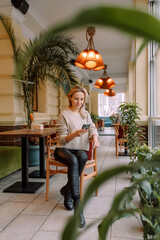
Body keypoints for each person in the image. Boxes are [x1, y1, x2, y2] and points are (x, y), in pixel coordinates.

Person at [54, 86, 100, 228]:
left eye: (81, 99)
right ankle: (77, 204)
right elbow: (61, 140)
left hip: (79, 149)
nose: (79, 102)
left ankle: (67, 190)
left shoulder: (85, 114)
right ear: (70, 98)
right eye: (76, 99)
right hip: (63, 149)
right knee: (74, 160)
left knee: (83, 157)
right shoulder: (64, 115)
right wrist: (75, 134)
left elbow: (92, 127)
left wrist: (95, 138)